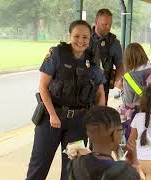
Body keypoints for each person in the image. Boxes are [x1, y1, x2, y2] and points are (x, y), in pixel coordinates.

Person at [26, 20, 106, 180]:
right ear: (70, 36)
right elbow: (43, 87)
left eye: (85, 37)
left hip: (78, 122)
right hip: (51, 118)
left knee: (72, 170)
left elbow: (100, 93)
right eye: (76, 36)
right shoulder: (57, 54)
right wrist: (52, 114)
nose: (80, 41)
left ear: (89, 39)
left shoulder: (94, 61)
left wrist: (96, 120)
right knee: (39, 165)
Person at [68, 106, 141, 180]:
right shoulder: (124, 173)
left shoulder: (75, 165)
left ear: (88, 133)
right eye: (121, 130)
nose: (122, 133)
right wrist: (134, 163)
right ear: (114, 135)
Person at [90, 8, 124, 104]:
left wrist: (118, 80)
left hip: (104, 86)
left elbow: (120, 64)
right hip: (84, 84)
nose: (108, 27)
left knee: (100, 114)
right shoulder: (85, 37)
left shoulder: (114, 43)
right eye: (104, 24)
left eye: (110, 24)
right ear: (96, 22)